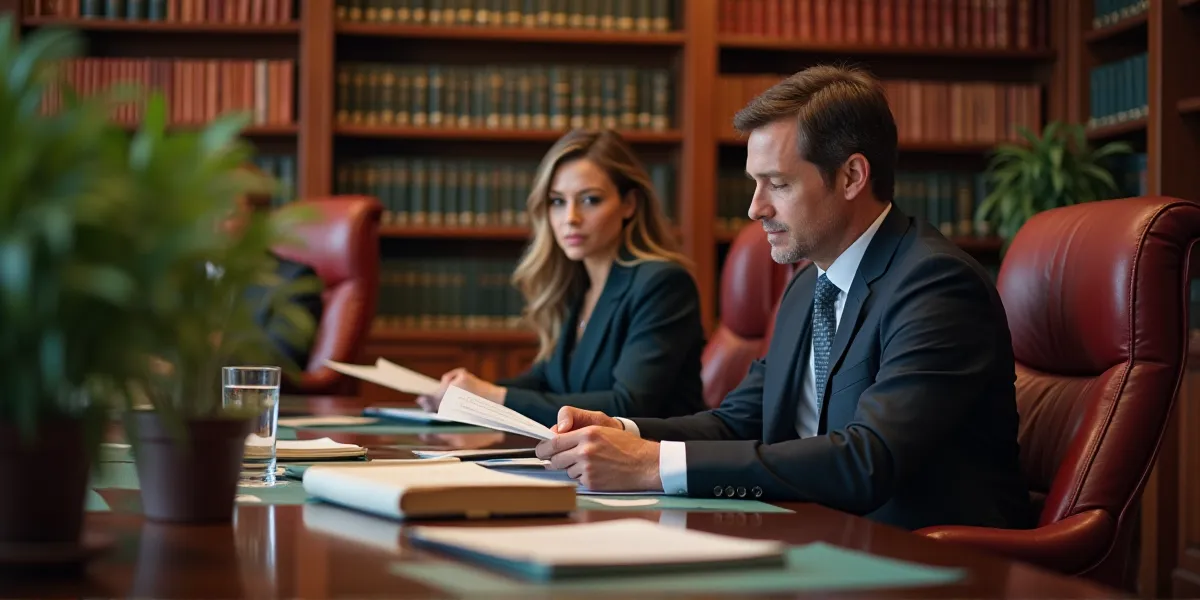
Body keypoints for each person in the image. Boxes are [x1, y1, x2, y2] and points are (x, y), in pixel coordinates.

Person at [534, 66, 1034, 532]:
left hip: (927, 559)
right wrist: (622, 429)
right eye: (755, 183)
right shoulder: (807, 285)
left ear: (852, 176)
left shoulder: (936, 285)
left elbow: (868, 461)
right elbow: (739, 422)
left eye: (778, 183)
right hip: (812, 535)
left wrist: (653, 465)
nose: (755, 208)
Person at [415, 129, 708, 427]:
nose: (570, 218)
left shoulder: (662, 284)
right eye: (557, 201)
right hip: (584, 460)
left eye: (590, 200)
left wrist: (492, 395)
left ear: (629, 204)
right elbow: (546, 380)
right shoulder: (577, 284)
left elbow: (628, 404)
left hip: (653, 464)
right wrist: (467, 394)